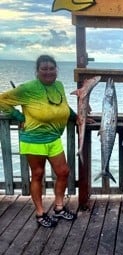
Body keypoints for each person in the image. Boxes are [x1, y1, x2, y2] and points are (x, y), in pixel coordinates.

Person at [0, 55, 77, 228]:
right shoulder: (28, 88)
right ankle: (40, 213)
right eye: (44, 69)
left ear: (56, 70)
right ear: (37, 71)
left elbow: (63, 106)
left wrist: (76, 117)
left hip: (53, 138)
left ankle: (58, 207)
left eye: (51, 68)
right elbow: (2, 100)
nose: (48, 72)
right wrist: (18, 116)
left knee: (63, 172)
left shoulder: (59, 85)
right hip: (34, 139)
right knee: (38, 174)